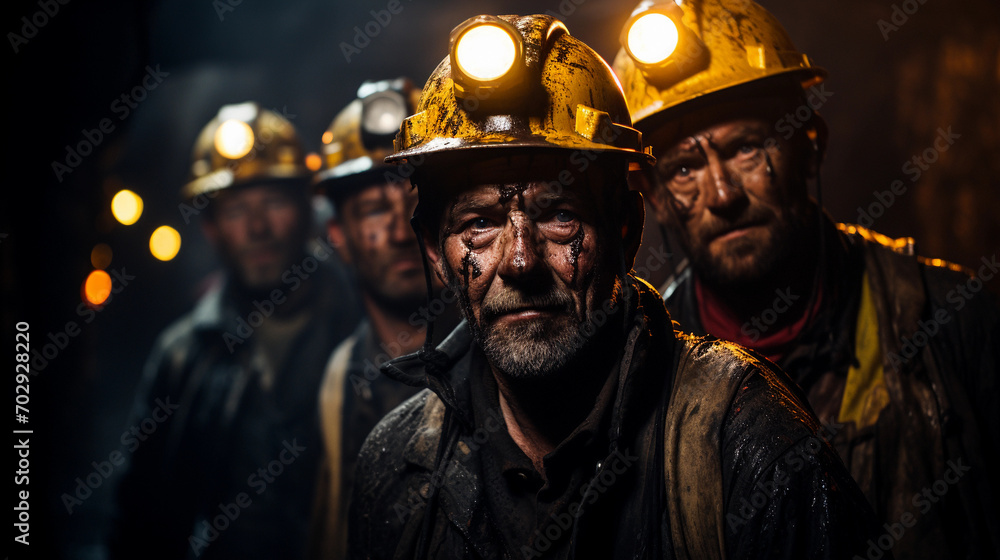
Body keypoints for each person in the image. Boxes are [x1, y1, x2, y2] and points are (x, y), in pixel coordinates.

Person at [347, 14, 881, 559]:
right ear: (437, 252)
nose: (521, 260)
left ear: (626, 229)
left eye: (559, 215)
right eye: (478, 225)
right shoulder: (397, 467)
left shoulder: (746, 436)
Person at [612, 1, 1000, 558]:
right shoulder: (642, 372)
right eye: (683, 168)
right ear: (654, 200)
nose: (722, 196)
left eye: (745, 149)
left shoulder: (950, 322)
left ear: (808, 148)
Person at [109, 102, 362, 560]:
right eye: (236, 210)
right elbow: (142, 518)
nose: (257, 228)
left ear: (308, 209)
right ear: (211, 228)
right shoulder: (185, 354)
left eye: (273, 202)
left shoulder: (366, 323)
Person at [309, 79, 458, 558]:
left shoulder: (508, 350)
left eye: (419, 203)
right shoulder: (339, 377)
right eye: (374, 210)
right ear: (339, 235)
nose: (401, 230)